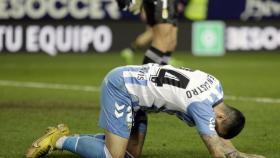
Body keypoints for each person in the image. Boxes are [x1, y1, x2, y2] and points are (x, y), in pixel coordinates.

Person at [26, 63, 265, 158]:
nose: (212, 125)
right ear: (220, 115)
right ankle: (59, 140)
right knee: (114, 157)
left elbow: (219, 136)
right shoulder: (202, 107)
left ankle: (67, 135)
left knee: (129, 156)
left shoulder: (215, 86)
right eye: (216, 124)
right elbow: (214, 148)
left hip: (137, 90)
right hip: (122, 88)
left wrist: (237, 154)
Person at [117, 0, 184, 65]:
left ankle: (163, 67)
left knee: (171, 41)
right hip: (161, 2)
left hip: (170, 3)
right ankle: (146, 72)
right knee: (161, 40)